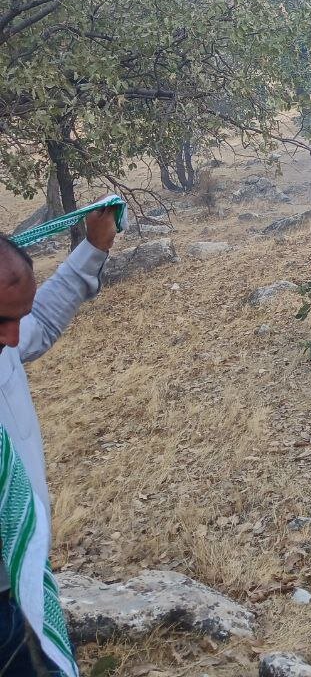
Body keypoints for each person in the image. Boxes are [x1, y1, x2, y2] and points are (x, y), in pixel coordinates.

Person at [1, 206, 119, 677]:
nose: (14, 338)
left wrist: (93, 249)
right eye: (2, 321)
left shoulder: (4, 344)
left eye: (16, 320)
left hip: (20, 586)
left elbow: (41, 323)